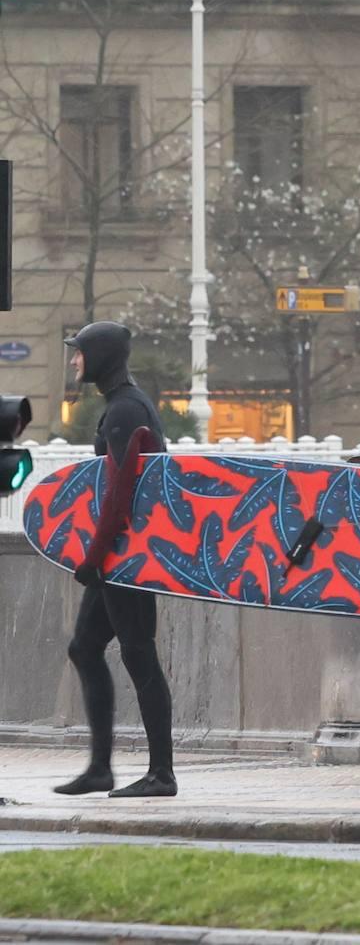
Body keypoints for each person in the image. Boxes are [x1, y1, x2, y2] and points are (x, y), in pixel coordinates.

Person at [54, 321, 177, 799]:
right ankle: (100, 769)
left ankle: (162, 774)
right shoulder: (123, 406)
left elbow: (123, 492)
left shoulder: (127, 410)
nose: (73, 361)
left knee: (139, 653)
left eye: (79, 353)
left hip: (128, 557)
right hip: (118, 557)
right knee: (84, 647)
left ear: (100, 356)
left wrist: (95, 556)